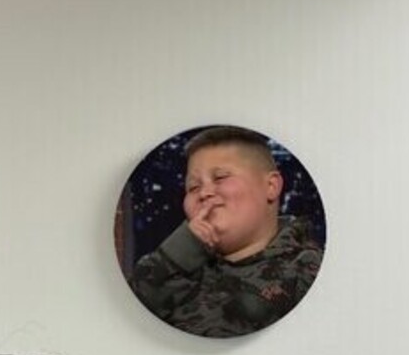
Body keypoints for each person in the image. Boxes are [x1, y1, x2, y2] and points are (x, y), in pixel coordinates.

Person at [129, 126, 324, 337]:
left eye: (220, 177)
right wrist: (179, 251)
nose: (204, 193)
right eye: (193, 187)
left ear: (271, 186)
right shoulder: (177, 271)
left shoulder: (310, 271)